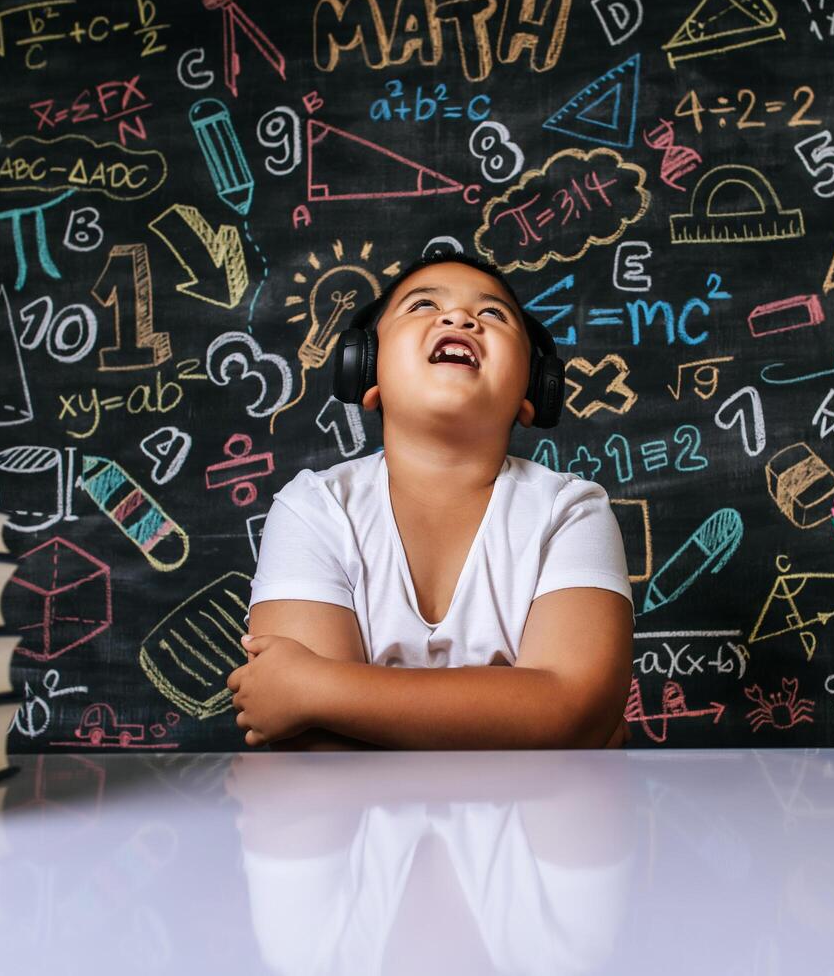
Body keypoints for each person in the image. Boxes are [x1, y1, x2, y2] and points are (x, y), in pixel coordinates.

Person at [228, 250, 634, 750]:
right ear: (366, 372)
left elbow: (575, 711)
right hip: (358, 828)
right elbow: (312, 748)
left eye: (492, 314)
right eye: (421, 305)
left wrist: (318, 687)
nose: (459, 317)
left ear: (533, 389)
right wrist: (527, 717)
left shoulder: (570, 512)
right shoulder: (314, 509)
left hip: (537, 827)